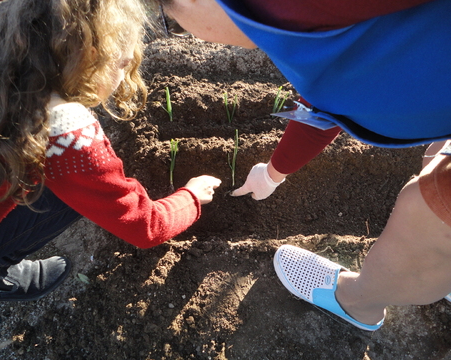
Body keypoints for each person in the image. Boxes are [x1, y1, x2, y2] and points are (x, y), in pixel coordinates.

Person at [154, 0, 451, 331]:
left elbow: (334, 88)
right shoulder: (307, 17)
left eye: (173, 22)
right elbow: (339, 86)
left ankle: (359, 302)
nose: (186, 33)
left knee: (429, 208)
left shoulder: (299, 9)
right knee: (437, 156)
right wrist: (272, 173)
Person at [0, 0, 221, 309]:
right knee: (70, 190)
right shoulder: (62, 130)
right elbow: (145, 226)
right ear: (92, 57)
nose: (126, 73)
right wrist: (192, 196)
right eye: (124, 63)